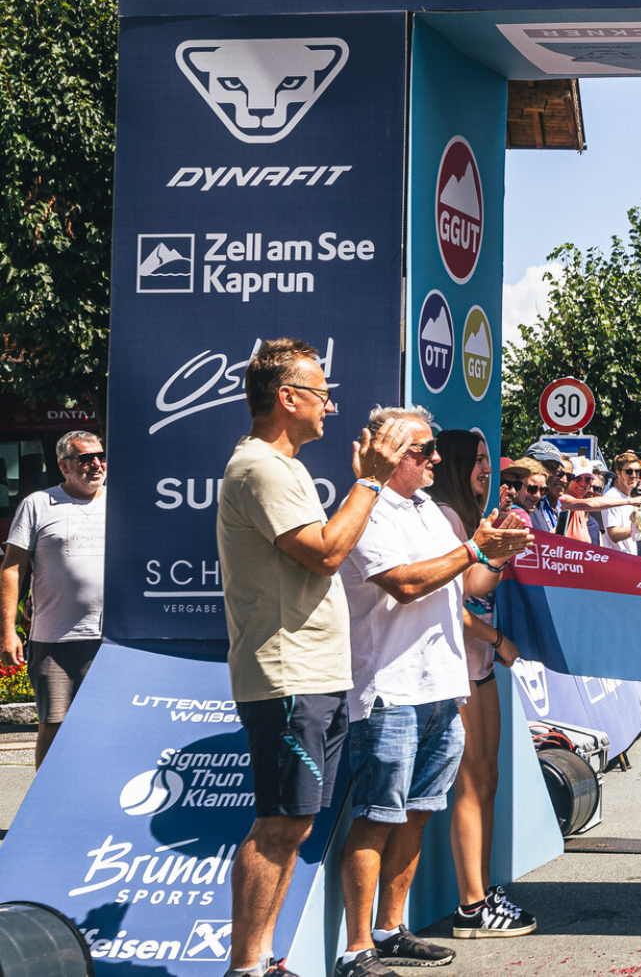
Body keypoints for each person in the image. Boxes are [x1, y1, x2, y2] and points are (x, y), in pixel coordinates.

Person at [217, 339, 410, 977]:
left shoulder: (286, 466)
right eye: (322, 392)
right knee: (279, 825)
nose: (331, 403)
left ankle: (261, 962)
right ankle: (247, 967)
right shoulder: (260, 469)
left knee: (294, 826)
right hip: (287, 676)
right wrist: (370, 482)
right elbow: (326, 552)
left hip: (317, 676)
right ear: (287, 397)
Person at [333, 409, 530, 975]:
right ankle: (356, 949)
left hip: (442, 684)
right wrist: (474, 551)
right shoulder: (365, 510)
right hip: (389, 688)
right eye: (422, 451)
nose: (435, 459)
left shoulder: (431, 509)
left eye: (433, 451)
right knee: (377, 817)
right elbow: (406, 583)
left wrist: (497, 552)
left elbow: (467, 584)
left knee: (417, 813)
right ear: (389, 452)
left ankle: (391, 929)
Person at [429, 430, 537, 940]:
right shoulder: (447, 518)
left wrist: (500, 550)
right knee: (472, 784)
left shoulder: (473, 518)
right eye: (476, 461)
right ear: (453, 464)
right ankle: (471, 907)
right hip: (464, 667)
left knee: (487, 778)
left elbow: (478, 584)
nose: (486, 469)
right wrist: (497, 638)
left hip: (480, 666)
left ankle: (484, 892)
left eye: (487, 461)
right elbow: (453, 600)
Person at [0, 429, 106, 767]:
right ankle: (44, 811)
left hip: (111, 640)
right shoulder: (38, 504)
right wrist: (8, 631)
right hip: (55, 638)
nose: (96, 464)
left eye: (100, 456)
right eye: (85, 458)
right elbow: (12, 568)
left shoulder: (121, 502)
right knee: (54, 724)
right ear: (64, 466)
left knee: (103, 726)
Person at [601, 452, 641, 555]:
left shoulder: (629, 498)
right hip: (615, 560)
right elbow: (613, 535)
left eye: (637, 472)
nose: (634, 475)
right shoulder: (612, 497)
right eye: (629, 471)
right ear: (618, 473)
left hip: (628, 559)